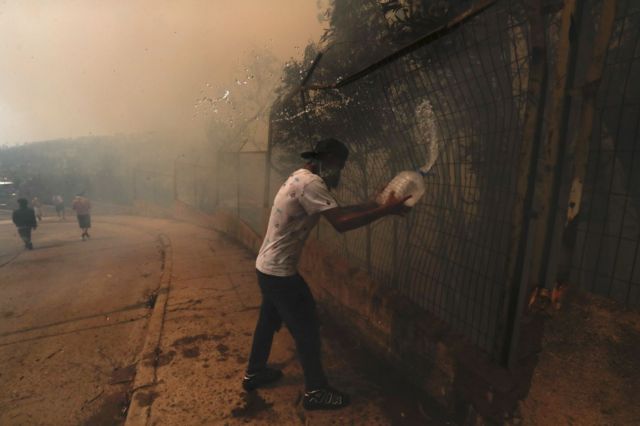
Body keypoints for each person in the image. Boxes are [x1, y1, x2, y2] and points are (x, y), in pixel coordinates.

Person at [243, 138, 411, 410]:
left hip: (267, 268)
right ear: (328, 159)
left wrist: (376, 204)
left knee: (268, 321)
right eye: (339, 165)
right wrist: (386, 210)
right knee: (307, 326)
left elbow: (338, 211)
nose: (339, 172)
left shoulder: (301, 178)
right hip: (280, 273)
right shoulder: (311, 184)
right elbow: (342, 223)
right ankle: (316, 391)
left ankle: (255, 371)